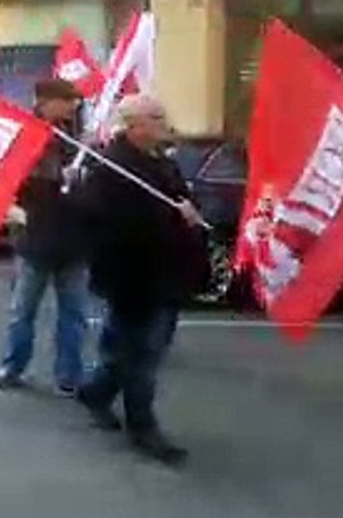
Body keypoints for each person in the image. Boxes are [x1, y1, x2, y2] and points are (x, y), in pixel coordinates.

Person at [77, 94, 206, 466]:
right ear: (133, 125)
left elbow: (181, 197)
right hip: (135, 277)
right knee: (143, 355)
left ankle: (97, 392)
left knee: (128, 350)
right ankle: (142, 425)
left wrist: (190, 212)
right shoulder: (113, 168)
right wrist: (172, 217)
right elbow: (117, 225)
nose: (164, 121)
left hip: (167, 272)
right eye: (155, 117)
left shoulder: (160, 161)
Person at [0, 78, 89, 397]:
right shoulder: (25, 134)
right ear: (45, 101)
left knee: (73, 314)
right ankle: (12, 366)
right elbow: (13, 178)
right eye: (66, 99)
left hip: (73, 239)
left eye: (73, 100)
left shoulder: (78, 134)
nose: (72, 105)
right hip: (36, 239)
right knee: (23, 311)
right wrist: (59, 177)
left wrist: (81, 177)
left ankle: (69, 375)